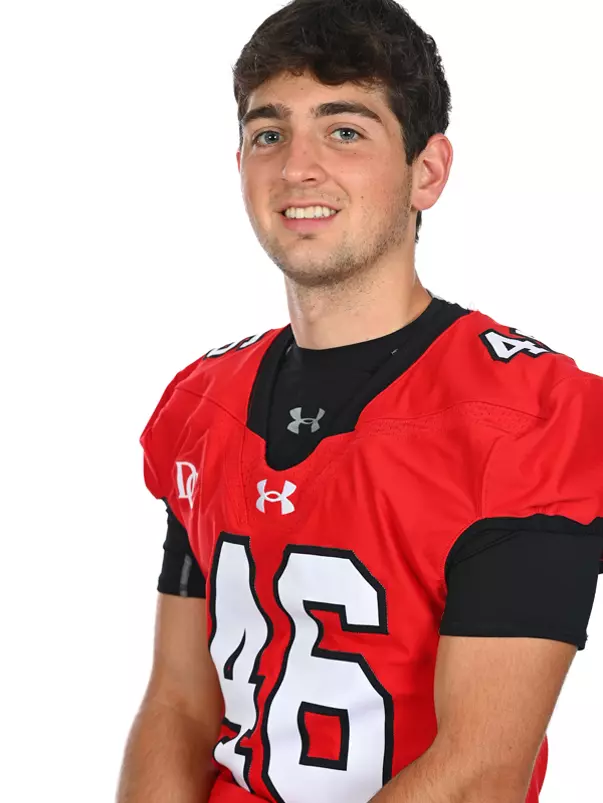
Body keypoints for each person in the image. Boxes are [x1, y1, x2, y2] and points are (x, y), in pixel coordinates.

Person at [117, 1, 603, 801]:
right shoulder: (201, 405)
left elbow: (478, 772)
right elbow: (177, 703)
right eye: (269, 134)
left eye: (344, 131)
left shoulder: (533, 415)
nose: (296, 167)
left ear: (426, 171)